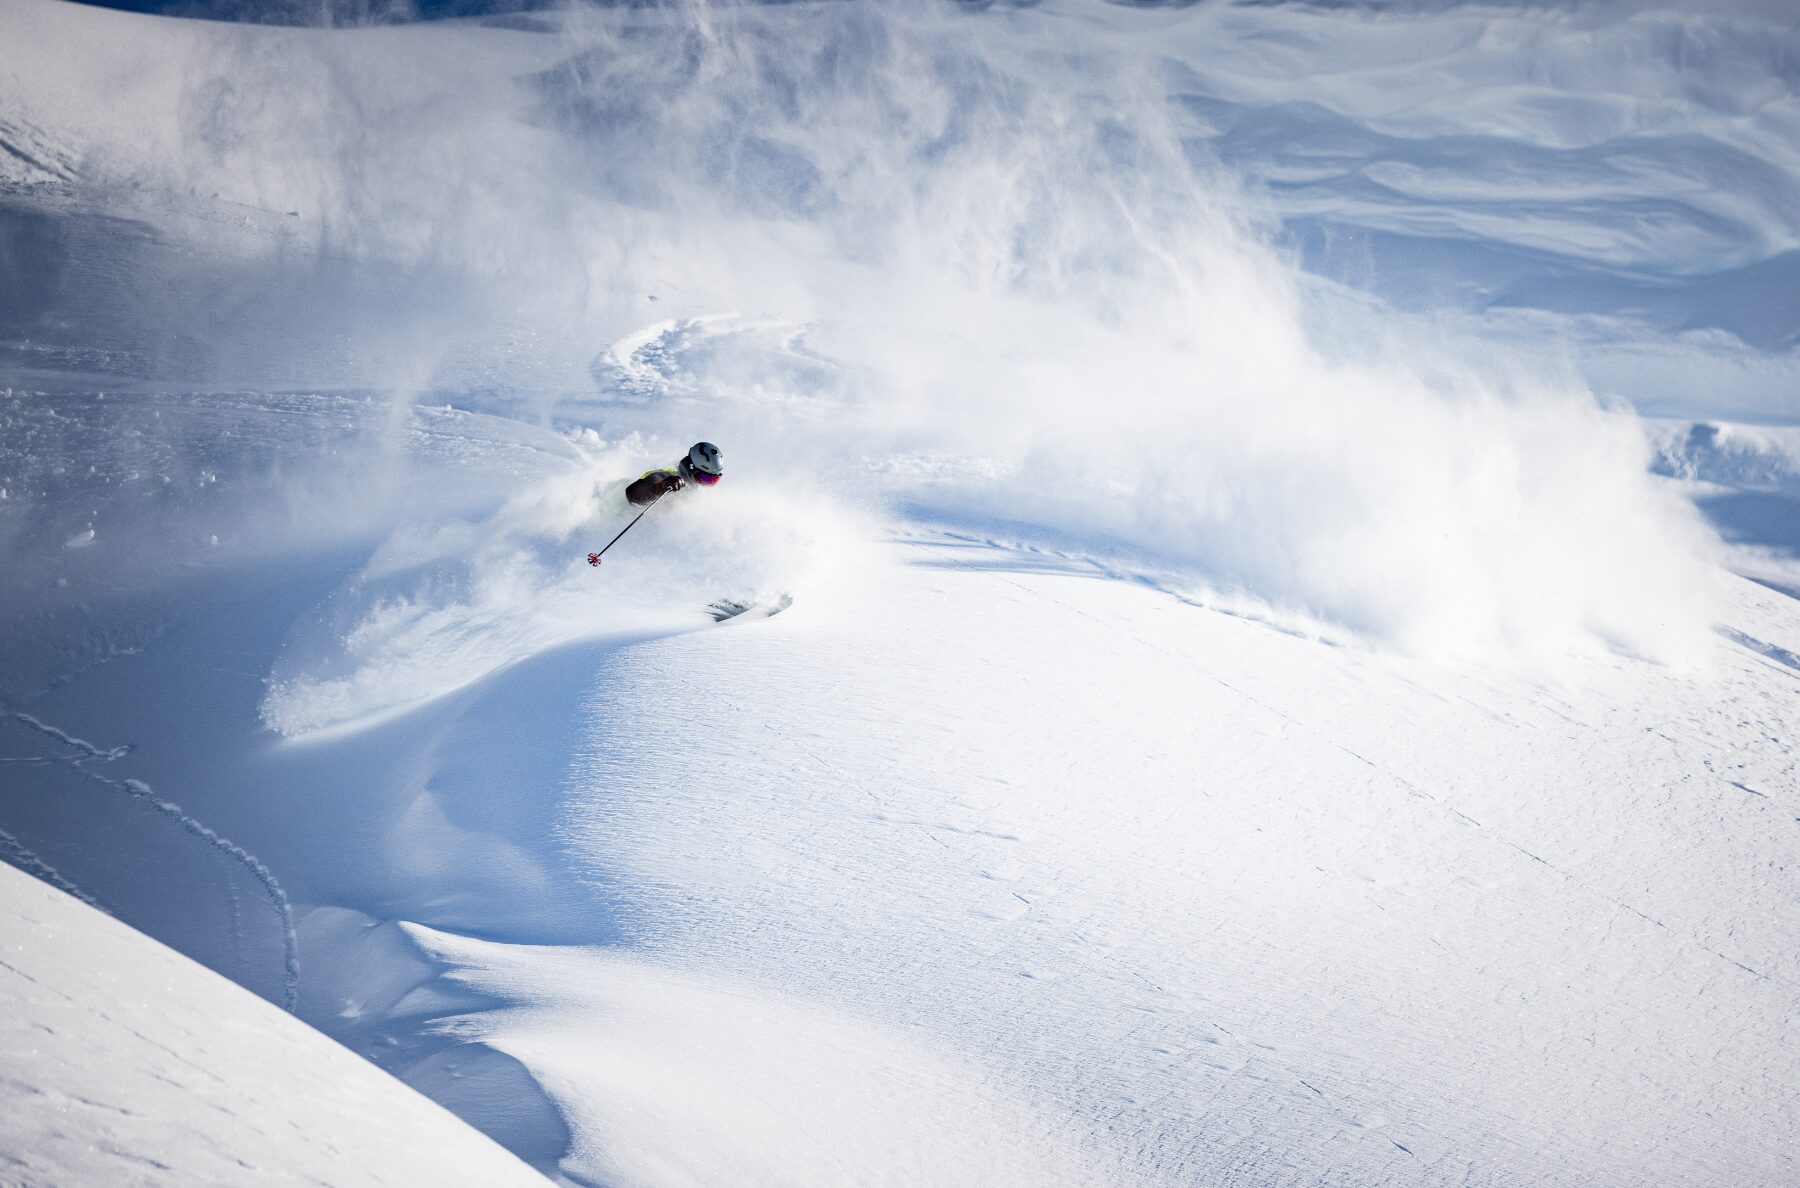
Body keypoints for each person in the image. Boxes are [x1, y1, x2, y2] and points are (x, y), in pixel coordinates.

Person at [624, 441, 723, 507]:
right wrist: (660, 487)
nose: (705, 484)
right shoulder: (663, 476)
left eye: (712, 480)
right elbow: (632, 495)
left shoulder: (699, 495)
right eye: (704, 478)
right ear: (691, 468)